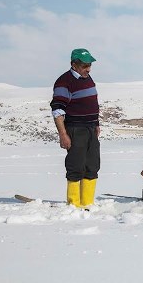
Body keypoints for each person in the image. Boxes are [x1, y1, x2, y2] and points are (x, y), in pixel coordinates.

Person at [50, 48, 100, 208]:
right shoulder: (64, 82)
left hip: (91, 128)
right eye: (85, 65)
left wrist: (96, 124)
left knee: (92, 165)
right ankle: (74, 204)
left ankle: (87, 203)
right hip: (75, 129)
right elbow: (57, 111)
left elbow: (91, 103)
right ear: (74, 64)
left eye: (90, 65)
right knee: (76, 166)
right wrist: (63, 134)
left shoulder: (88, 78)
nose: (88, 69)